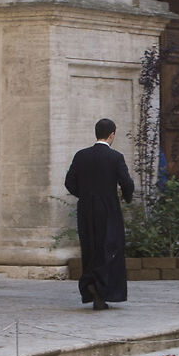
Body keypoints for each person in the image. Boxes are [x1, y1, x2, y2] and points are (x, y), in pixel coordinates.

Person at [64, 119, 134, 310]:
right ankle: (103, 290)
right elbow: (127, 183)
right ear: (112, 135)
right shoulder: (115, 157)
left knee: (90, 248)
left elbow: (69, 182)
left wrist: (85, 195)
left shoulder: (81, 156)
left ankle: (90, 285)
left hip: (86, 209)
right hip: (108, 209)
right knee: (109, 248)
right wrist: (127, 197)